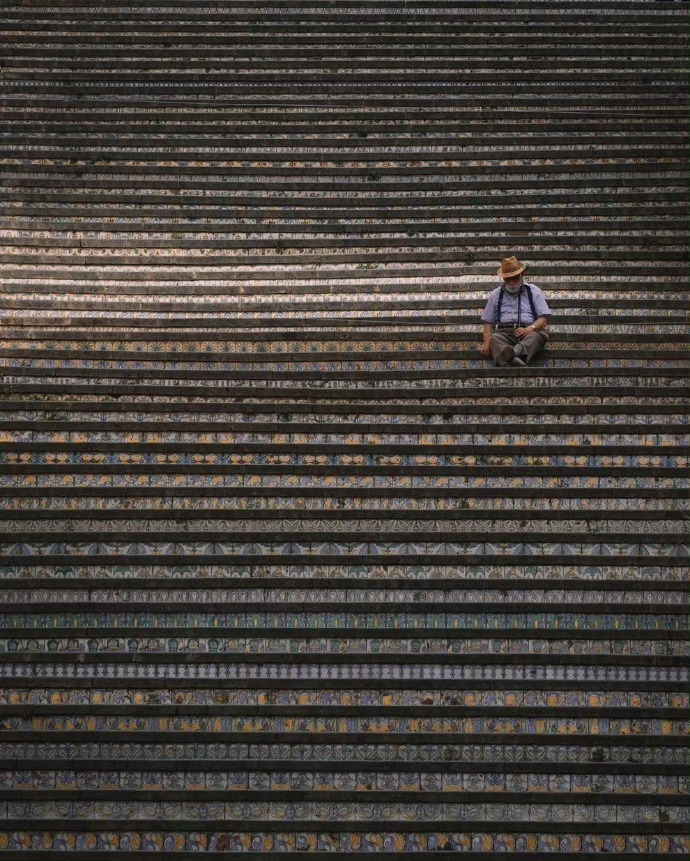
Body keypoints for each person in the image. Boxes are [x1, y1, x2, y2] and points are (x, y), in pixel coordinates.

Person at [479, 256, 551, 366]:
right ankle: (515, 358)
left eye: (515, 278)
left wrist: (529, 329)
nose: (511, 282)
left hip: (528, 332)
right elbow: (488, 323)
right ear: (503, 278)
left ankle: (510, 355)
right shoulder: (496, 294)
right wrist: (486, 343)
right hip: (504, 333)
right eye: (508, 279)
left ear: (521, 275)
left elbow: (543, 319)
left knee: (537, 337)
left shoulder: (534, 291)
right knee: (494, 338)